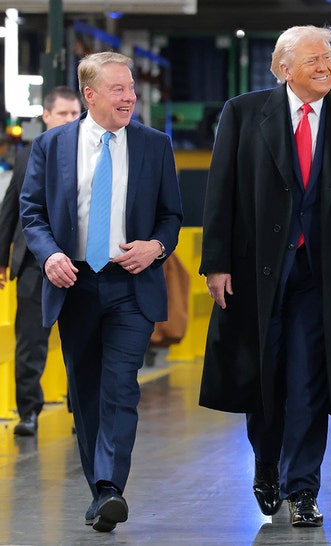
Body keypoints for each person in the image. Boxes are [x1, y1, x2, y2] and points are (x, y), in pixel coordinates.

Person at [198, 25, 331, 528]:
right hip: (256, 272)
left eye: (328, 58)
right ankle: (267, 467)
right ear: (284, 68)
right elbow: (220, 193)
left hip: (322, 275)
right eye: (312, 61)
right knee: (264, 377)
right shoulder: (243, 113)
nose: (325, 67)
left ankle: (303, 487)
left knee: (311, 380)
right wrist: (214, 262)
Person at [20, 52, 183, 533]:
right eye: (118, 89)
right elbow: (33, 213)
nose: (129, 97)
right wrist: (49, 254)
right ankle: (101, 491)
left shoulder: (155, 145)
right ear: (89, 95)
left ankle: (111, 486)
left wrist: (155, 246)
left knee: (119, 386)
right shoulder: (51, 146)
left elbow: (170, 216)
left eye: (131, 88)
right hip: (75, 284)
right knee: (85, 389)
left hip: (130, 284)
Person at [0, 86, 81, 436]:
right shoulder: (27, 156)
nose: (69, 120)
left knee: (81, 343)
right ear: (46, 116)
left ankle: (80, 410)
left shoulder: (90, 153)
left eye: (74, 114)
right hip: (34, 266)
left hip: (80, 265)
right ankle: (28, 413)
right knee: (30, 344)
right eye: (62, 113)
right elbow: (10, 212)